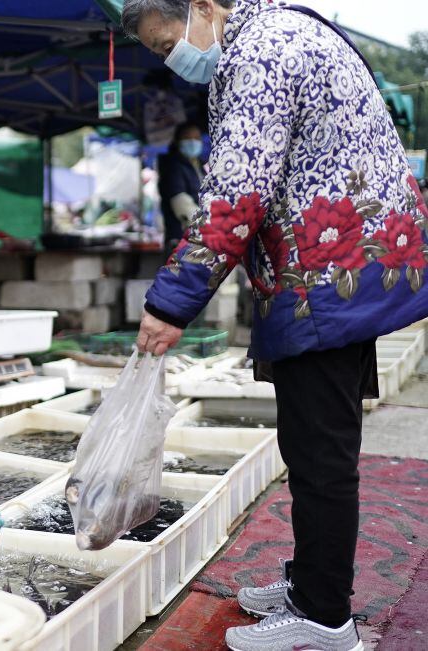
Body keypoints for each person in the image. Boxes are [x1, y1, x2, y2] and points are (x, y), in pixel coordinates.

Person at [122, 1, 428, 650]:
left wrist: (172, 300)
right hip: (341, 261)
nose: (172, 57)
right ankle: (310, 582)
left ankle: (324, 617)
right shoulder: (282, 30)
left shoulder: (260, 52)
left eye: (165, 41)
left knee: (321, 450)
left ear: (203, 6)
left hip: (329, 272)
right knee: (311, 439)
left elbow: (238, 191)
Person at [157, 122, 205, 251]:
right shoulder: (173, 166)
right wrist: (206, 226)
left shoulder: (199, 165)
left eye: (197, 138)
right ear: (178, 141)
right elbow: (180, 202)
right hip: (180, 237)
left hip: (198, 236)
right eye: (188, 138)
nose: (193, 141)